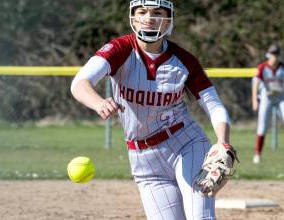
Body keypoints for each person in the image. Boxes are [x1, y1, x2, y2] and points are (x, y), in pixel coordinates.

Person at [70, 1, 237, 219]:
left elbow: (213, 105)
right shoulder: (120, 49)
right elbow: (79, 83)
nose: (148, 18)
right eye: (142, 12)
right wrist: (99, 102)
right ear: (133, 17)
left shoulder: (184, 60)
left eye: (157, 13)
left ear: (168, 19)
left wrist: (222, 141)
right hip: (144, 160)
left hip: (185, 144)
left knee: (201, 216)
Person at [251, 44, 284, 164]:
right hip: (267, 97)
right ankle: (257, 154)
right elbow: (255, 83)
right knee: (262, 127)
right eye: (272, 54)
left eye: (276, 54)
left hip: (281, 97)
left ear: (279, 55)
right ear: (268, 55)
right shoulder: (262, 67)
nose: (274, 56)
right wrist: (255, 99)